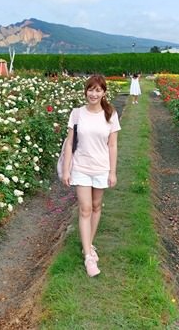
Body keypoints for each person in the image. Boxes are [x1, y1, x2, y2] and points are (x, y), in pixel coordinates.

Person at [61, 75, 121, 277]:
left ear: (104, 92)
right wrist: (67, 169)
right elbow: (70, 143)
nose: (93, 94)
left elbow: (112, 145)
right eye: (90, 89)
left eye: (98, 90)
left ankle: (89, 244)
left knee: (96, 207)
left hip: (101, 168)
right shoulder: (77, 114)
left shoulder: (110, 114)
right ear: (85, 91)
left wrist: (112, 172)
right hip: (81, 167)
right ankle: (88, 256)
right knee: (85, 209)